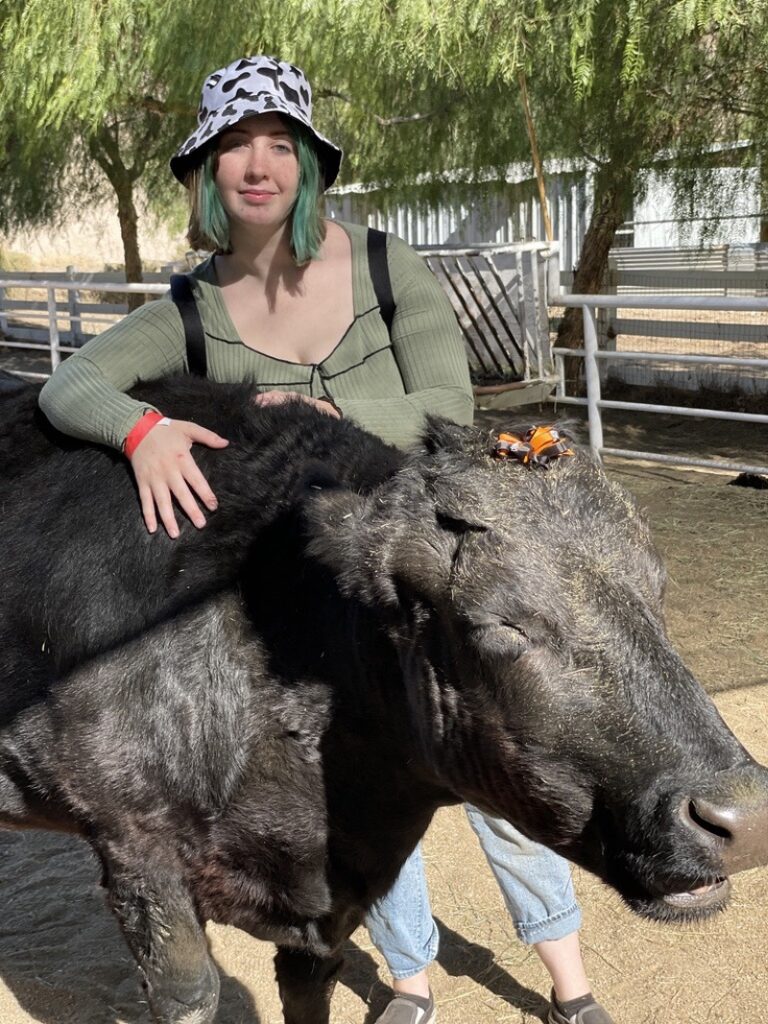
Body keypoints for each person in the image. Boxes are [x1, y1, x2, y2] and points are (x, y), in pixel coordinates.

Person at [38, 54, 614, 1024]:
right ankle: (411, 983)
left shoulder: (389, 268)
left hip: (435, 566)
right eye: (234, 146)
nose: (257, 164)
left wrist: (299, 410)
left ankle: (572, 986)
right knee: (370, 806)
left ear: (309, 164)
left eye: (280, 143)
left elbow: (442, 413)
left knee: (498, 773)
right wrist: (145, 429)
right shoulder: (192, 308)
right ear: (208, 173)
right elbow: (68, 386)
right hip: (315, 597)